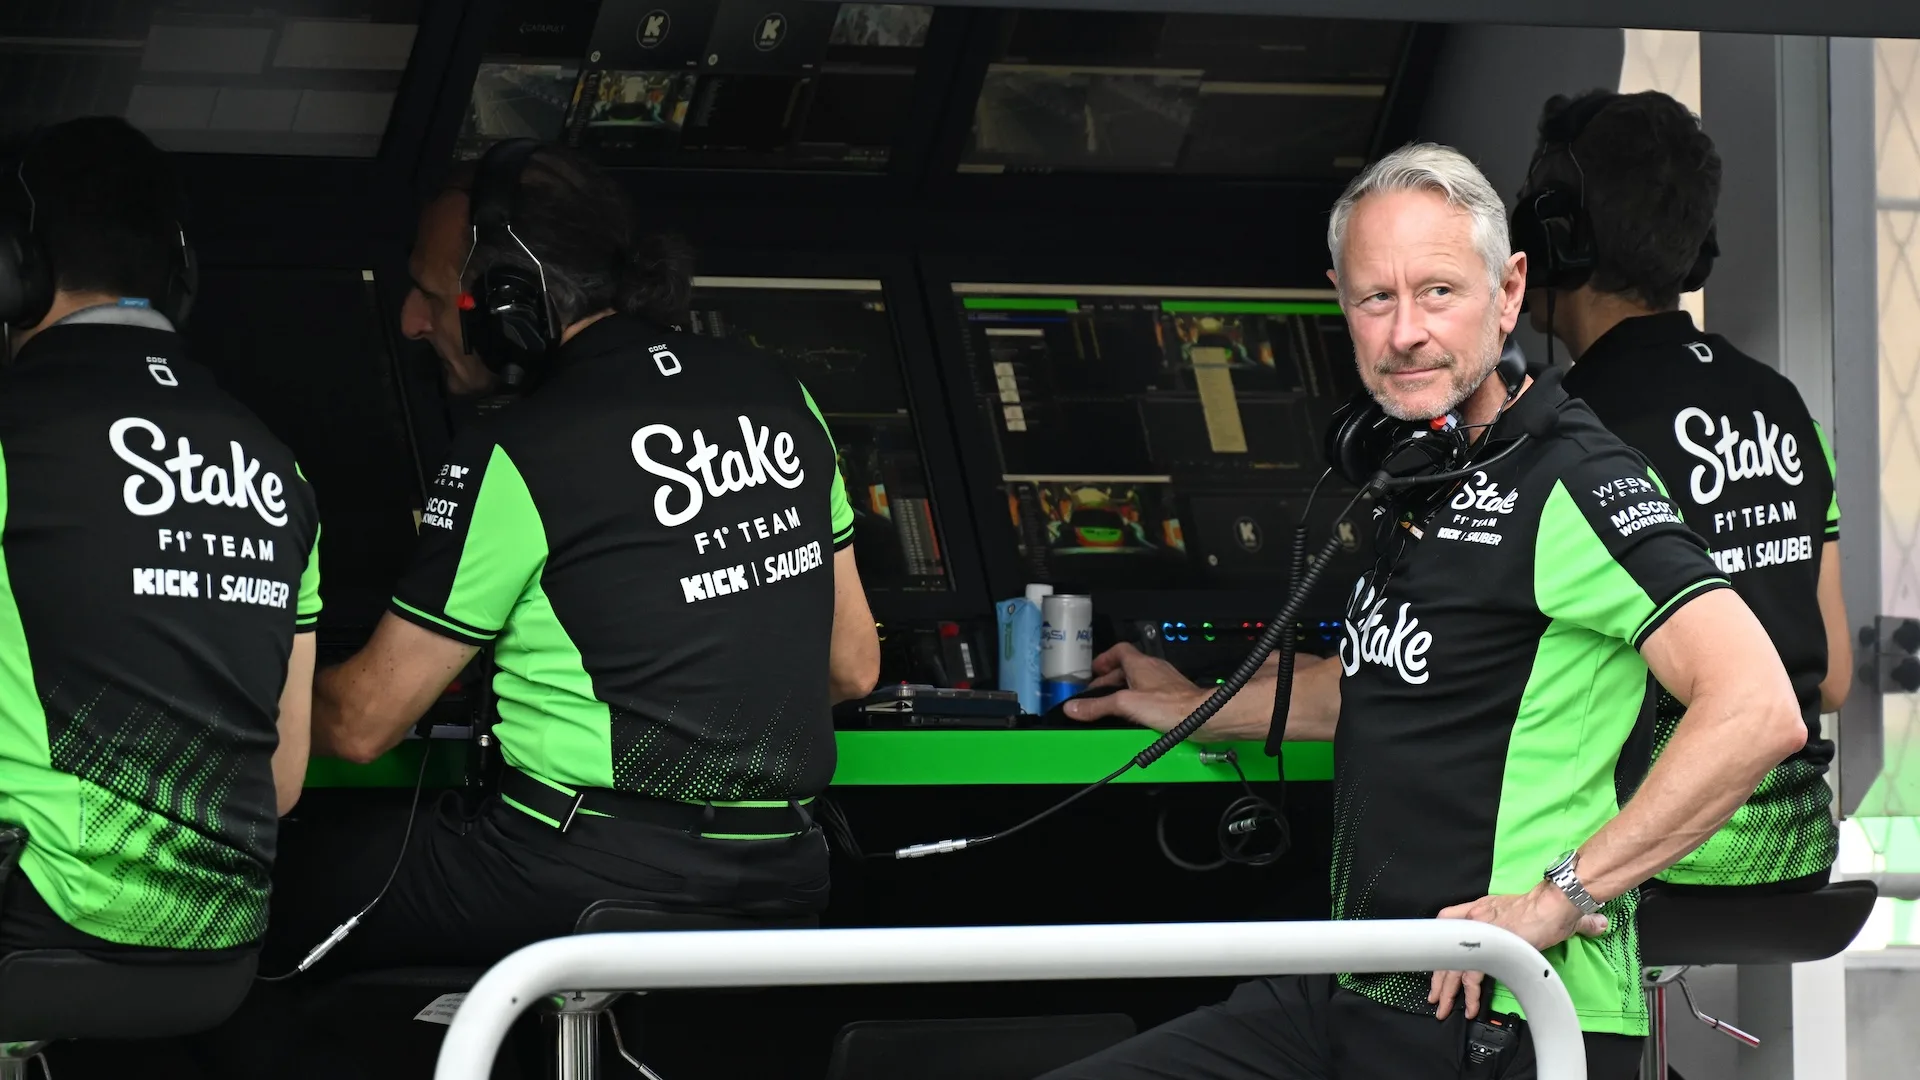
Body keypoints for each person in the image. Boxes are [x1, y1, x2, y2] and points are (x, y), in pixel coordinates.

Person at [1047, 142, 1806, 1079]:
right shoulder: (1426, 470)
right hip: (1356, 982)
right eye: (1376, 298)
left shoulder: (1576, 477)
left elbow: (1758, 707)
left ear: (1511, 288)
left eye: (1438, 292)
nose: (1405, 331)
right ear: (1340, 302)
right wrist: (1192, 700)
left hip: (1501, 1005)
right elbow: (1389, 682)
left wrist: (1558, 898)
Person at [260, 138, 880, 982]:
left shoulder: (519, 449)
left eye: (432, 291)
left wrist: (238, 679)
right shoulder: (780, 395)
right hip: (784, 879)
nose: (412, 318)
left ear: (507, 303)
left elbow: (364, 725)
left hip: (573, 877)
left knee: (256, 889)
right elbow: (851, 667)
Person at [0, 118, 321, 961]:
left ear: (15, 269)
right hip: (219, 946)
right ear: (180, 276)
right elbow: (283, 782)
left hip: (36, 913)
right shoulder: (279, 467)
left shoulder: (14, 435)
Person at [1517, 89, 1847, 894]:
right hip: (1796, 851)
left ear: (1557, 239)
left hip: (1645, 852)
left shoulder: (1562, 430)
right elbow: (1831, 679)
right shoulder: (1784, 405)